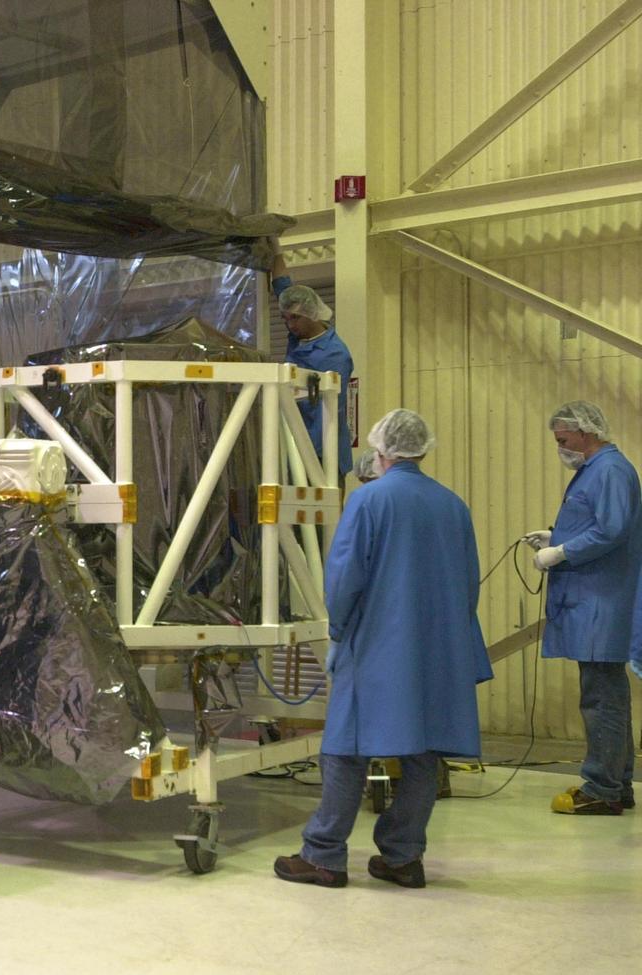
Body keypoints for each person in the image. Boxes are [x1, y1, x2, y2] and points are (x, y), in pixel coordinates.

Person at [274, 409, 492, 889]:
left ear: (382, 451)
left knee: (345, 750)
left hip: (376, 643)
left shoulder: (369, 501)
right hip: (438, 647)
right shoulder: (453, 505)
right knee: (422, 752)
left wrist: (338, 631)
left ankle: (324, 856)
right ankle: (402, 856)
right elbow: (468, 585)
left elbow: (345, 578)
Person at [524, 401, 640, 814]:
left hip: (600, 603)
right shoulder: (597, 471)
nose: (560, 448)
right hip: (598, 600)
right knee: (609, 695)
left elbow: (611, 530)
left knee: (600, 699)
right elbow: (597, 523)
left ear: (585, 433)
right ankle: (617, 782)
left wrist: (561, 553)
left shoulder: (608, 470)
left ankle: (602, 789)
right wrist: (556, 535)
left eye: (562, 440)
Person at [271, 249, 354, 478]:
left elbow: (328, 412)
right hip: (295, 444)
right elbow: (282, 286)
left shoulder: (334, 355)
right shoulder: (299, 337)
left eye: (295, 318)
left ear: (312, 314)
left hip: (322, 454)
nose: (289, 325)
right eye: (285, 319)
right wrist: (274, 247)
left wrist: (308, 460)